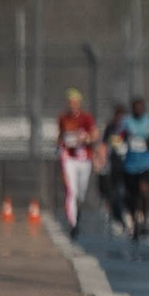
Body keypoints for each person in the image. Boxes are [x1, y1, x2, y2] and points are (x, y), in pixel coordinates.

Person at [116, 98, 149, 239]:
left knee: (145, 191)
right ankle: (135, 220)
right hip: (130, 165)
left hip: (146, 163)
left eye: (140, 107)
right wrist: (120, 147)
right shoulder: (126, 122)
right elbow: (118, 137)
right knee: (132, 196)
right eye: (136, 108)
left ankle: (144, 218)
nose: (138, 110)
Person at [57, 90, 98, 233]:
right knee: (71, 191)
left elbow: (95, 135)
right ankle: (73, 224)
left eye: (75, 103)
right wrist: (60, 147)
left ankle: (77, 211)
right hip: (69, 159)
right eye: (70, 103)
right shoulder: (63, 118)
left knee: (81, 193)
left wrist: (86, 138)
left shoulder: (86, 118)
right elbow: (60, 136)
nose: (73, 105)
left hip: (84, 159)